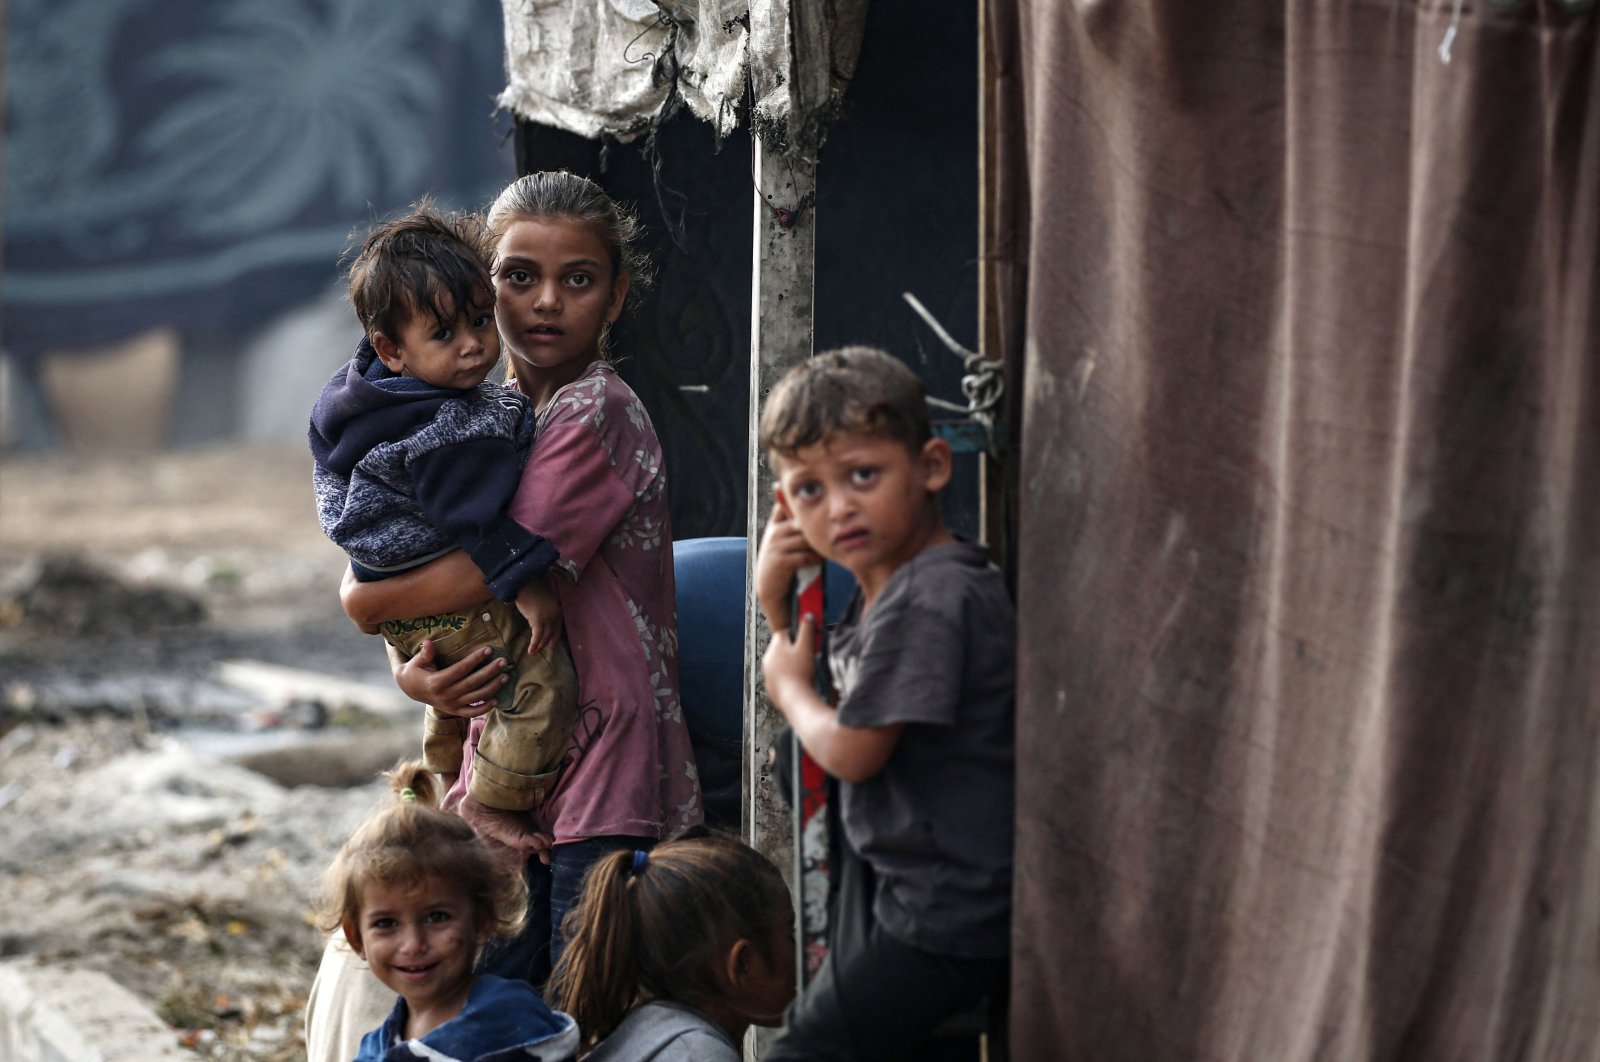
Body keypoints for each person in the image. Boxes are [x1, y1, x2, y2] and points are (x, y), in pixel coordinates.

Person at [340, 171, 704, 987]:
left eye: (578, 280)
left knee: (574, 1001)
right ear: (482, 287)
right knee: (495, 997)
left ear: (614, 300)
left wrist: (360, 602)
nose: (545, 302)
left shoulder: (594, 411)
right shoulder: (483, 412)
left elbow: (477, 573)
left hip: (601, 764)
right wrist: (413, 668)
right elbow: (410, 544)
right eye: (518, 277)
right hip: (503, 744)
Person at [754, 346, 1015, 1061]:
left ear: (931, 466)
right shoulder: (888, 590)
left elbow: (853, 752)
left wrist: (790, 690)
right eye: (808, 490)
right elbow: (816, 718)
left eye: (862, 476)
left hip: (948, 917)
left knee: (799, 1052)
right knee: (789, 750)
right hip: (901, 882)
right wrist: (776, 603)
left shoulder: (930, 598)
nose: (838, 508)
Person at [309, 203, 577, 812]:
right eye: (444, 334)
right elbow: (471, 518)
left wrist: (403, 665)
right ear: (390, 347)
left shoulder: (365, 402)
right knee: (539, 686)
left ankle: (437, 792)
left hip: (400, 602)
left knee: (459, 695)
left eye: (482, 322)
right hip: (445, 598)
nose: (473, 347)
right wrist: (525, 584)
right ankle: (491, 806)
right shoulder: (447, 426)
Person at [311, 761, 580, 1061]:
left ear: (482, 920)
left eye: (437, 917)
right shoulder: (374, 1047)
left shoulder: (512, 1022)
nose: (413, 945)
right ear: (355, 939)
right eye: (386, 923)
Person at [547, 827, 796, 1060]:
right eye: (790, 936)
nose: (808, 954)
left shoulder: (644, 1033)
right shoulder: (700, 1055)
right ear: (743, 963)